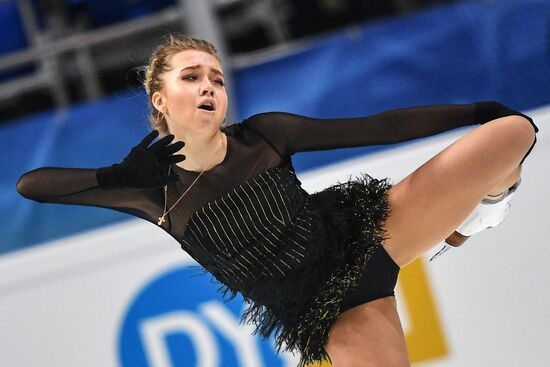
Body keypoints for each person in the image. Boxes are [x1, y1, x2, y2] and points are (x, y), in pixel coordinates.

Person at [16, 34, 538, 366]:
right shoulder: (150, 190)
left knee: (513, 131)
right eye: (191, 76)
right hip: (333, 313)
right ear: (160, 98)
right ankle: (484, 205)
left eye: (216, 78)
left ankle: (489, 206)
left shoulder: (262, 136)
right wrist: (112, 176)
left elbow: (377, 126)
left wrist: (473, 111)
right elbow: (30, 185)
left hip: (368, 237)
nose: (208, 86)